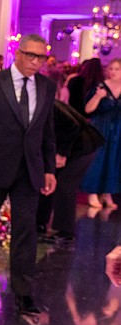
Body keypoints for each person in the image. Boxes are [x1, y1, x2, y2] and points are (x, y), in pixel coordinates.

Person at [0, 34, 57, 316]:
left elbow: (47, 131)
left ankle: (23, 291)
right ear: (18, 53)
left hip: (29, 169)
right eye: (31, 55)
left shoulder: (46, 86)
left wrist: (49, 168)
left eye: (41, 58)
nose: (36, 62)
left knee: (26, 229)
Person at [36, 100, 104, 242]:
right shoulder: (41, 103)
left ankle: (66, 232)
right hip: (69, 146)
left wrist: (62, 153)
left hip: (82, 146)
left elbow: (73, 125)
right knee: (48, 180)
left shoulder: (47, 104)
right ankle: (40, 222)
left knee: (64, 184)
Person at [81, 58, 121, 210]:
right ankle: (92, 192)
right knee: (97, 159)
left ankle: (107, 192)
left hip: (117, 130)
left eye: (117, 69)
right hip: (101, 127)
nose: (113, 72)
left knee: (113, 160)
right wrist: (98, 96)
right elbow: (88, 109)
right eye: (111, 68)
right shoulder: (100, 87)